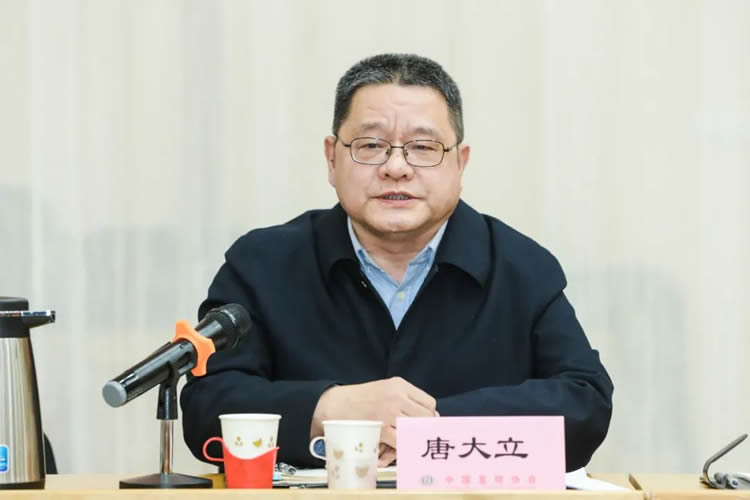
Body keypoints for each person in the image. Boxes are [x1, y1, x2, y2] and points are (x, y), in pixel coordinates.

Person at [181, 53, 613, 471]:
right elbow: (207, 405)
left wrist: (427, 425)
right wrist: (329, 407)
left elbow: (585, 403)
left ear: (460, 163)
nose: (396, 167)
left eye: (423, 147)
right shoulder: (263, 265)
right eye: (371, 145)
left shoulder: (520, 267)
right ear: (332, 158)